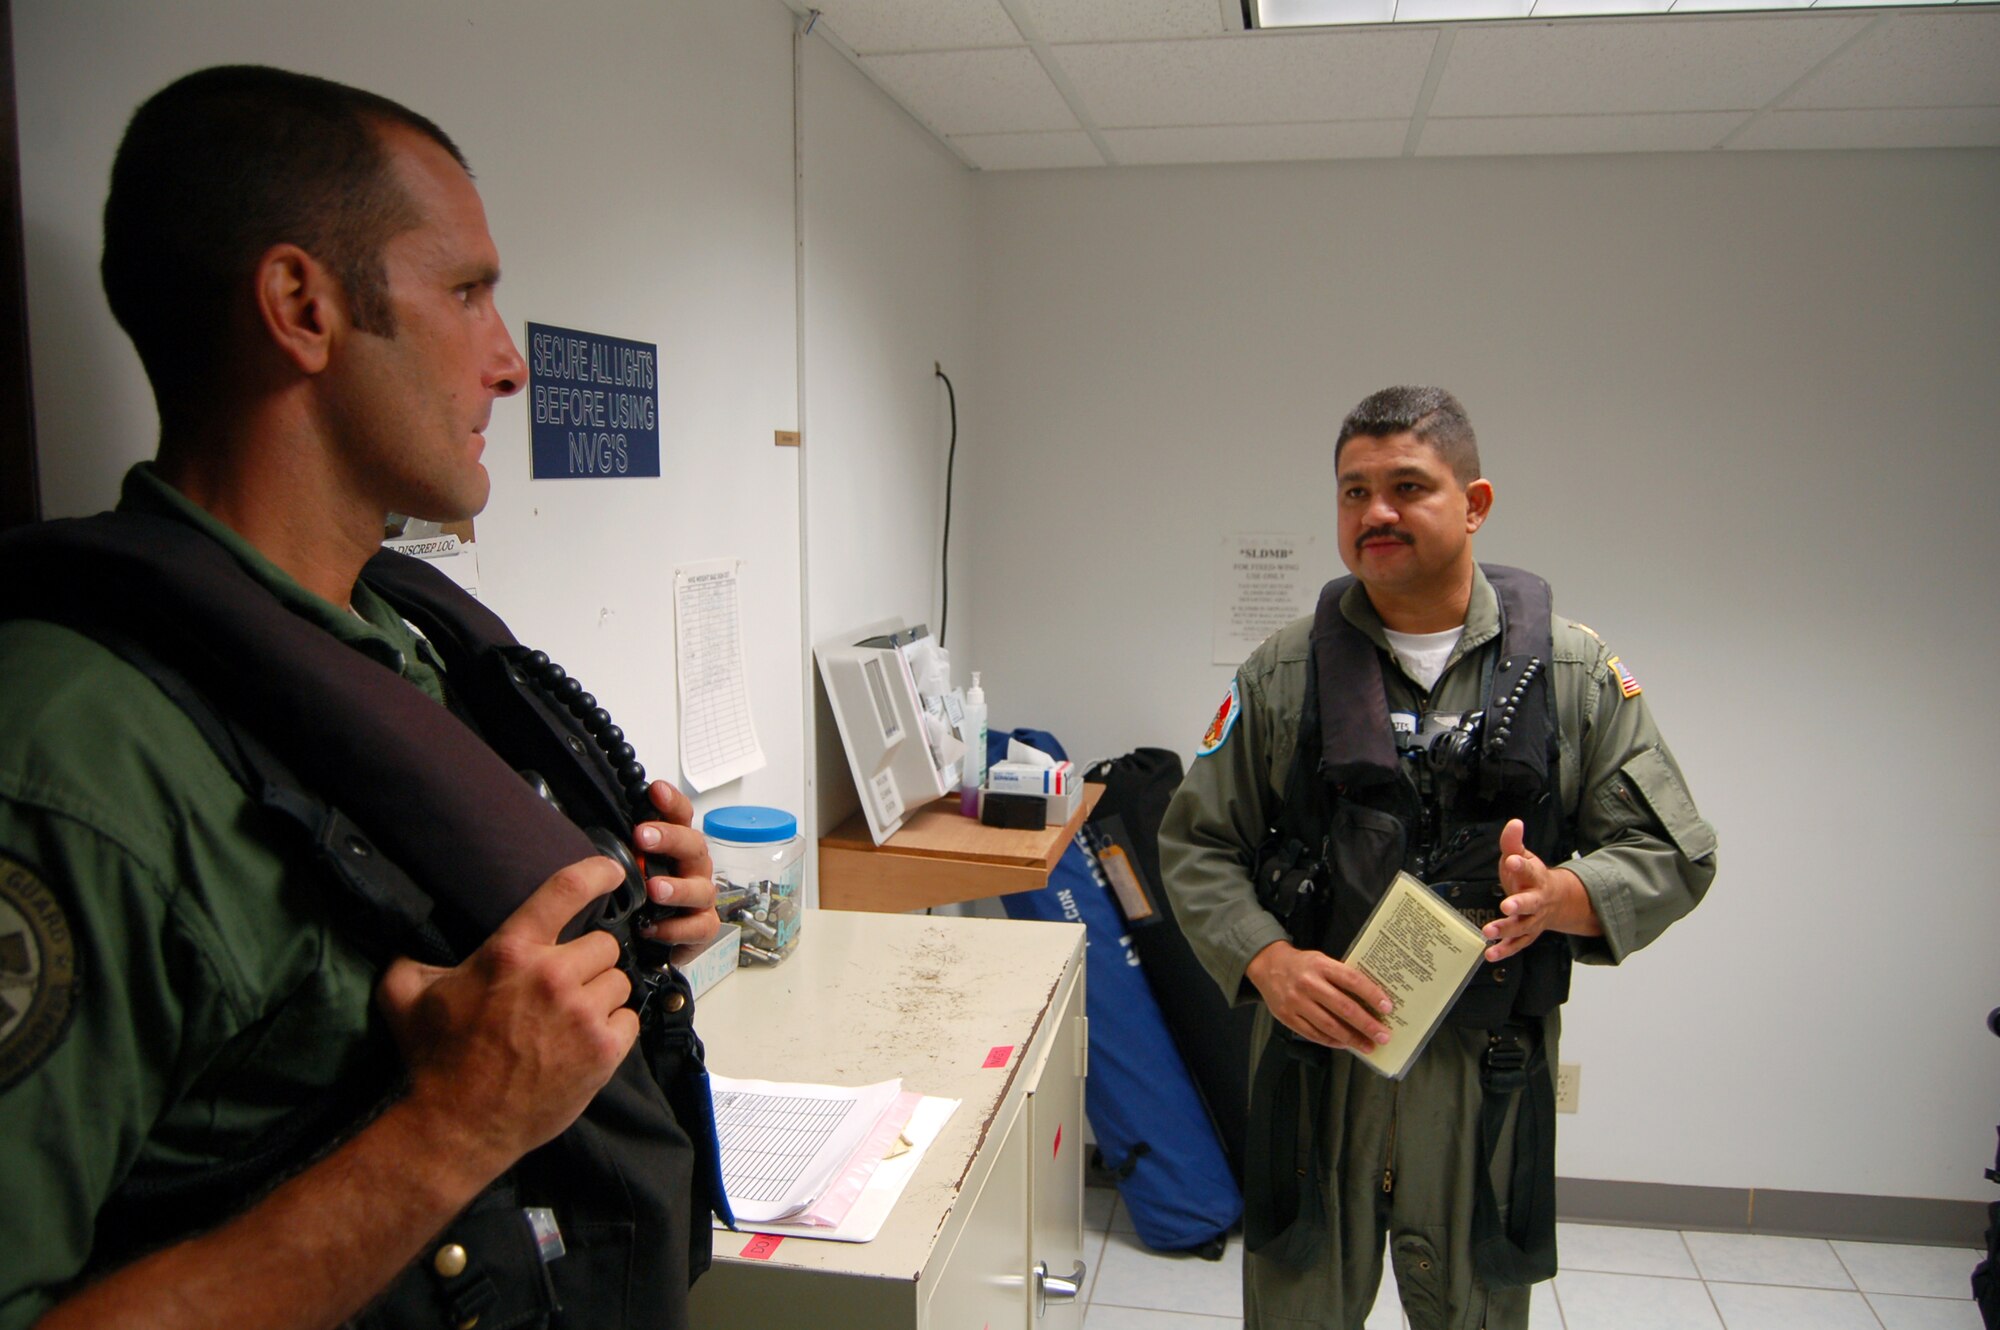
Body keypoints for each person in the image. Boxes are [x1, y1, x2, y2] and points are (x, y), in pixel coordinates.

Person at [0, 66, 726, 1330]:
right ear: (302, 307)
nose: (509, 364)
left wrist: (631, 914)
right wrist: (451, 1127)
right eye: (466, 292)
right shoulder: (67, 762)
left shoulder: (394, 640)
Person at [1160, 386, 1717, 1330]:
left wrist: (1568, 895)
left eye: (1406, 486)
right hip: (1316, 1064)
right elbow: (1197, 845)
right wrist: (1268, 958)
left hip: (1486, 1075)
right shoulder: (1283, 674)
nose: (1373, 513)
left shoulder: (1573, 675)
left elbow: (1673, 851)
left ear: (1475, 503)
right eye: (1351, 492)